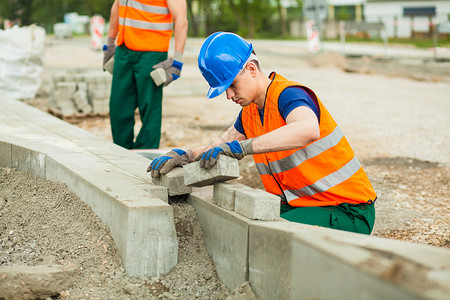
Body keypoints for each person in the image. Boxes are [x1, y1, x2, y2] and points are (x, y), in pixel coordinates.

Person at [148, 32, 377, 235]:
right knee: (242, 222)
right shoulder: (250, 112)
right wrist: (184, 155)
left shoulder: (289, 95)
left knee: (266, 233)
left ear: (251, 69)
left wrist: (245, 147)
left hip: (347, 209)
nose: (229, 95)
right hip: (305, 205)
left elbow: (308, 128)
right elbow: (223, 144)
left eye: (232, 85)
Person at [103, 0, 188, 149]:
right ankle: (122, 152)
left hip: (152, 52)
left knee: (150, 109)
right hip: (124, 48)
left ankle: (144, 157)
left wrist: (178, 60)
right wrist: (110, 42)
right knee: (118, 106)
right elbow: (117, 6)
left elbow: (181, 18)